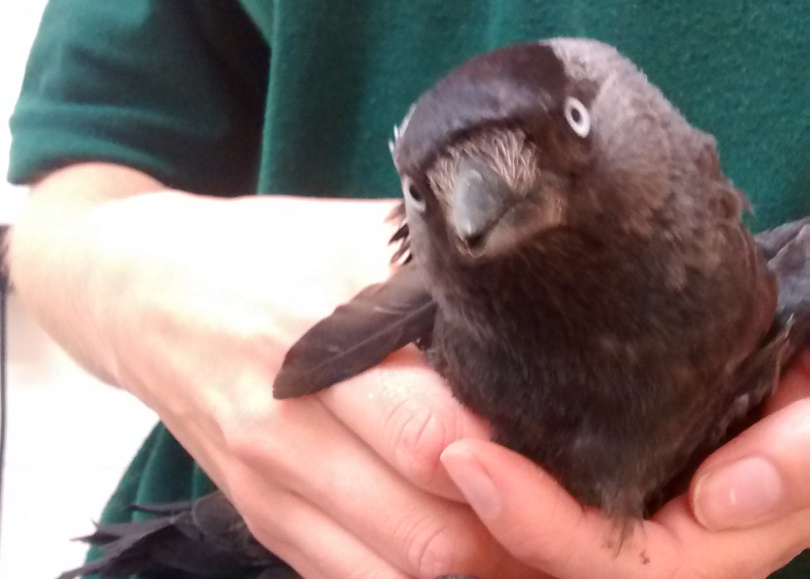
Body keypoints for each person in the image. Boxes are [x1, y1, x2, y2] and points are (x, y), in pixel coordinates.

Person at [7, 1, 809, 578]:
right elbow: (65, 190)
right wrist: (149, 285)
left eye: (567, 126)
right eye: (429, 195)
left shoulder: (755, 299)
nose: (483, 206)